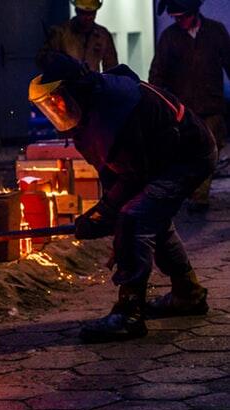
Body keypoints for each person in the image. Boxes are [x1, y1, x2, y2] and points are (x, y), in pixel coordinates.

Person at [29, 53, 217, 343]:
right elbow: (110, 173)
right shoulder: (86, 114)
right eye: (51, 105)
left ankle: (129, 313)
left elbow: (135, 176)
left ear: (74, 89)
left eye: (58, 100)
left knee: (135, 216)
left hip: (188, 156)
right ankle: (187, 293)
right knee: (150, 218)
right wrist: (106, 213)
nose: (57, 108)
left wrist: (107, 215)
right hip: (159, 159)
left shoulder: (117, 107)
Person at [149, 0, 230, 212]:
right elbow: (158, 73)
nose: (179, 21)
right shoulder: (170, 38)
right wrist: (156, 102)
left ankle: (199, 197)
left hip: (212, 107)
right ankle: (188, 192)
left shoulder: (215, 32)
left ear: (193, 12)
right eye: (175, 17)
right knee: (186, 153)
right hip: (183, 110)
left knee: (210, 152)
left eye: (182, 16)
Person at [38, 0, 117, 72]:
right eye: (84, 13)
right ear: (77, 10)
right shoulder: (60, 33)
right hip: (67, 85)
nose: (88, 17)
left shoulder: (103, 35)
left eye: (91, 13)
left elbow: (112, 68)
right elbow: (43, 61)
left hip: (93, 85)